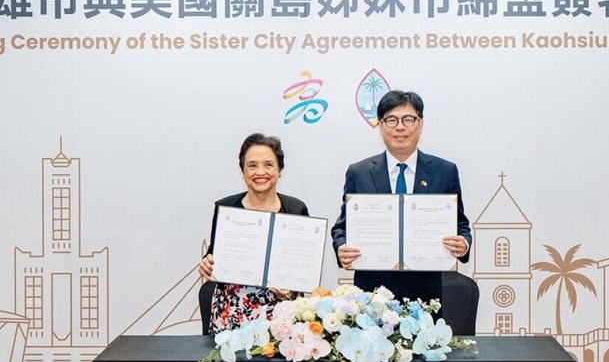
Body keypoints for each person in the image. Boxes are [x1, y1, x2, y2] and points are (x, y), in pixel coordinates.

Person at [331, 90, 472, 304]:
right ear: (380, 125)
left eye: (408, 119)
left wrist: (463, 244)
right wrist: (342, 247)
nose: (400, 127)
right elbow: (342, 228)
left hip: (426, 296)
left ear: (421, 124)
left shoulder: (445, 171)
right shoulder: (358, 172)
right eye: (391, 120)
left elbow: (461, 225)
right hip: (371, 297)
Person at [199, 133, 309, 334]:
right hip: (233, 306)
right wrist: (207, 261)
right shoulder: (226, 208)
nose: (260, 172)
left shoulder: (296, 209)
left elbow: (301, 268)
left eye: (268, 164)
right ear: (242, 171)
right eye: (252, 165)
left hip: (282, 308)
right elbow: (217, 254)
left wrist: (289, 291)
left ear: (279, 170)